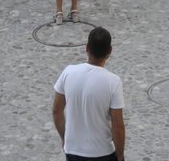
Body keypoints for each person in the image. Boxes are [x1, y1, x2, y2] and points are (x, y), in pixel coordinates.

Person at [52, 27, 125, 161]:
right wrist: (120, 156)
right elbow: (117, 126)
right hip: (102, 152)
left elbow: (56, 111)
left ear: (87, 48)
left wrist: (65, 138)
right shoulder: (113, 82)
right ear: (109, 51)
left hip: (73, 151)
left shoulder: (68, 72)